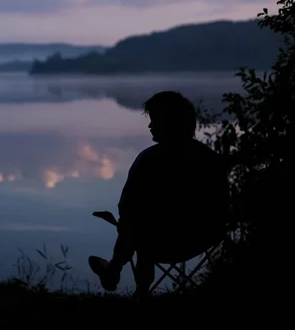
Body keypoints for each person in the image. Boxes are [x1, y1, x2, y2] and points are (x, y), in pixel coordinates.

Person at [88, 91, 229, 297]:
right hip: (202, 240)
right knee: (145, 225)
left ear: (169, 123)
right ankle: (117, 271)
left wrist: (126, 222)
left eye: (155, 120)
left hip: (156, 243)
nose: (150, 126)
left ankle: (124, 276)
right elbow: (222, 206)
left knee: (138, 226)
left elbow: (127, 207)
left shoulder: (148, 159)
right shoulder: (212, 160)